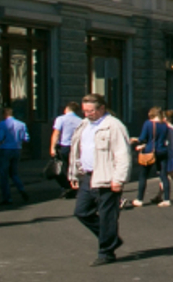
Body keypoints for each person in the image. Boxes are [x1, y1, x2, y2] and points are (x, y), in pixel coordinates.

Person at [69, 94, 133, 266]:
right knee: (81, 211)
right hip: (88, 176)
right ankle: (111, 238)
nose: (87, 114)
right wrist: (74, 174)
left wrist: (118, 179)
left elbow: (123, 154)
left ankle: (106, 252)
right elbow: (77, 151)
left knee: (107, 216)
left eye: (91, 111)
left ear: (102, 108)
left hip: (107, 176)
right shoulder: (84, 125)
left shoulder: (113, 126)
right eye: (84, 111)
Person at [130, 107, 173, 207]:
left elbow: (142, 138)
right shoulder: (165, 125)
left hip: (150, 152)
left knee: (143, 175)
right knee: (163, 175)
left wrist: (135, 140)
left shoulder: (148, 124)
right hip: (162, 151)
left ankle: (139, 199)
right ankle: (167, 199)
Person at [0, 105, 30, 205]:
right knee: (14, 173)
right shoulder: (21, 124)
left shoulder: (2, 124)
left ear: (4, 114)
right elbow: (26, 138)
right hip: (17, 149)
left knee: (4, 174)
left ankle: (7, 198)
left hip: (6, 149)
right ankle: (21, 189)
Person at [51, 102, 84, 199]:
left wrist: (52, 147)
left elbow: (56, 133)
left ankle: (66, 187)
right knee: (74, 166)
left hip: (64, 146)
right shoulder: (80, 121)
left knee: (64, 168)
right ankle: (75, 186)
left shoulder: (61, 119)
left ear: (66, 109)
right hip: (77, 147)